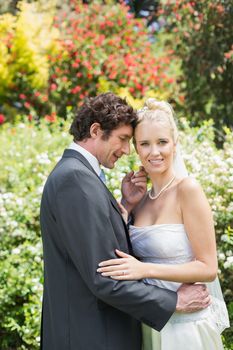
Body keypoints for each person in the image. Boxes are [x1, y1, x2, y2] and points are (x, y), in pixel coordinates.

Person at [40, 93, 211, 350]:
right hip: (90, 335)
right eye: (125, 140)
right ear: (96, 130)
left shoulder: (80, 175)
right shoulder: (75, 179)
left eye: (162, 142)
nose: (127, 150)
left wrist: (126, 205)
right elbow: (104, 276)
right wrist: (172, 301)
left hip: (160, 327)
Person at [97, 98, 230, 350]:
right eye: (145, 144)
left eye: (162, 142)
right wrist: (126, 204)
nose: (154, 152)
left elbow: (207, 267)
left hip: (187, 327)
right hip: (152, 324)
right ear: (136, 148)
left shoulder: (187, 190)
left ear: (175, 144)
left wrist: (145, 270)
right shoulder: (141, 202)